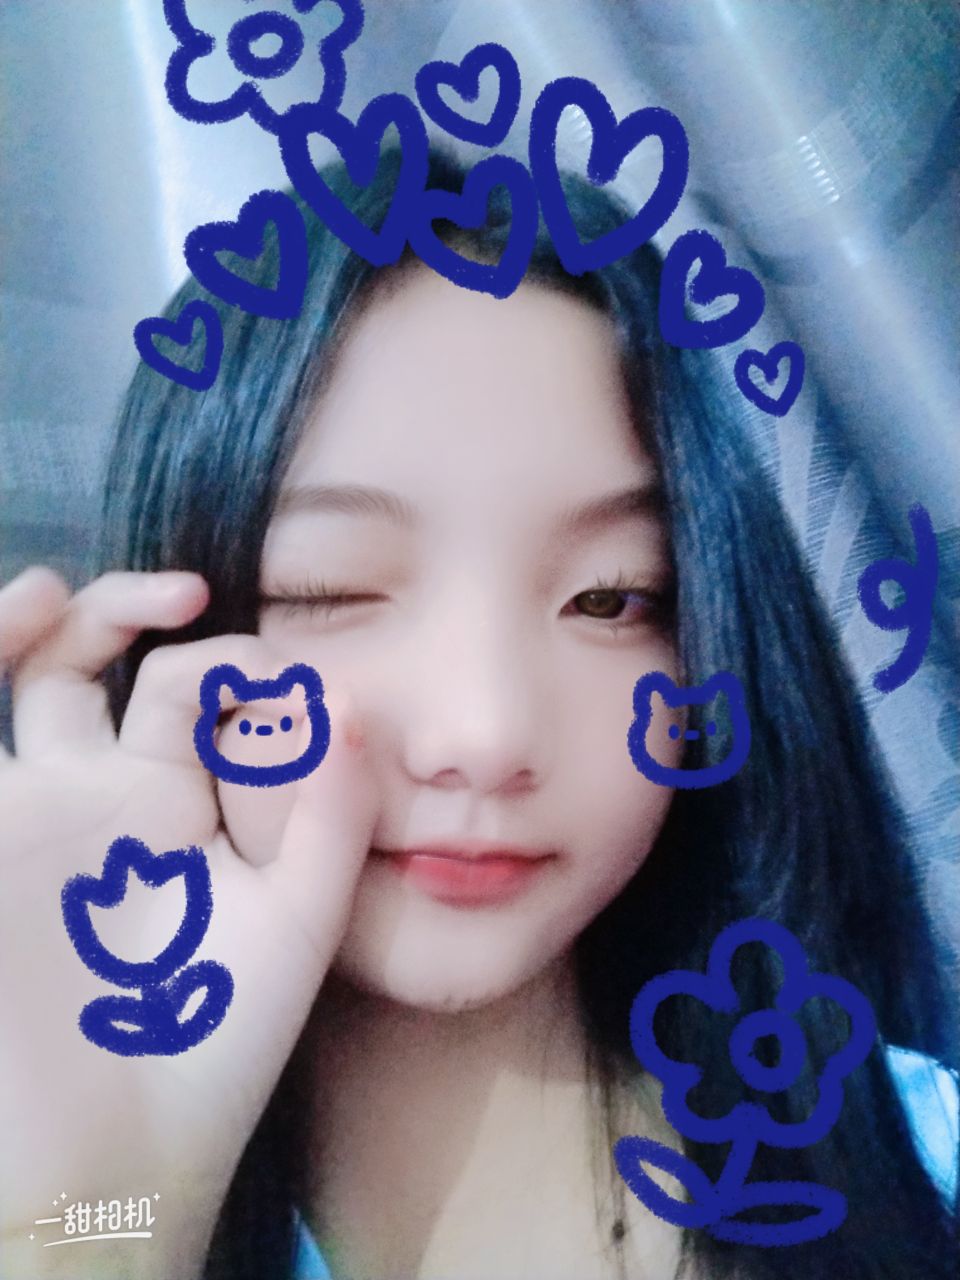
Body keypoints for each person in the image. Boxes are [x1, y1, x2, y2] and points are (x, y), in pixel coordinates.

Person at [0, 148, 956, 1280]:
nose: (486, 735)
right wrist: (94, 1221)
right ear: (166, 634)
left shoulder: (922, 1167)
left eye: (613, 597)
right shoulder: (64, 1203)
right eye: (330, 587)